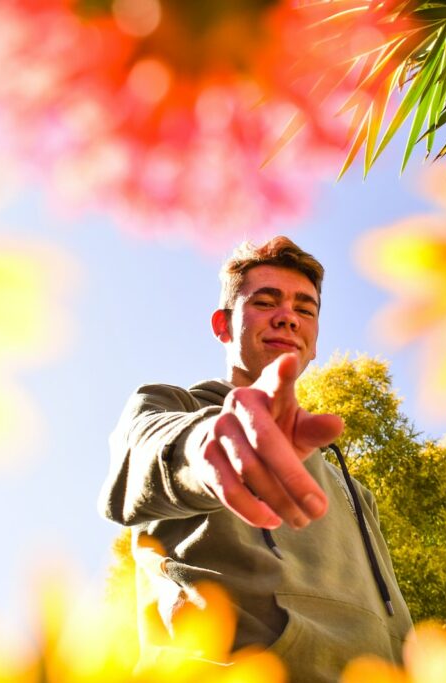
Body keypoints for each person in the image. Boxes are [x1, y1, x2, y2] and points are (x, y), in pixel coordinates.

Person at [99, 236, 412, 682]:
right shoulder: (173, 409)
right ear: (223, 326)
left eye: (305, 309)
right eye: (266, 302)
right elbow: (142, 457)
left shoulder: (354, 490)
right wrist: (213, 450)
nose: (288, 316)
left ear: (315, 338)